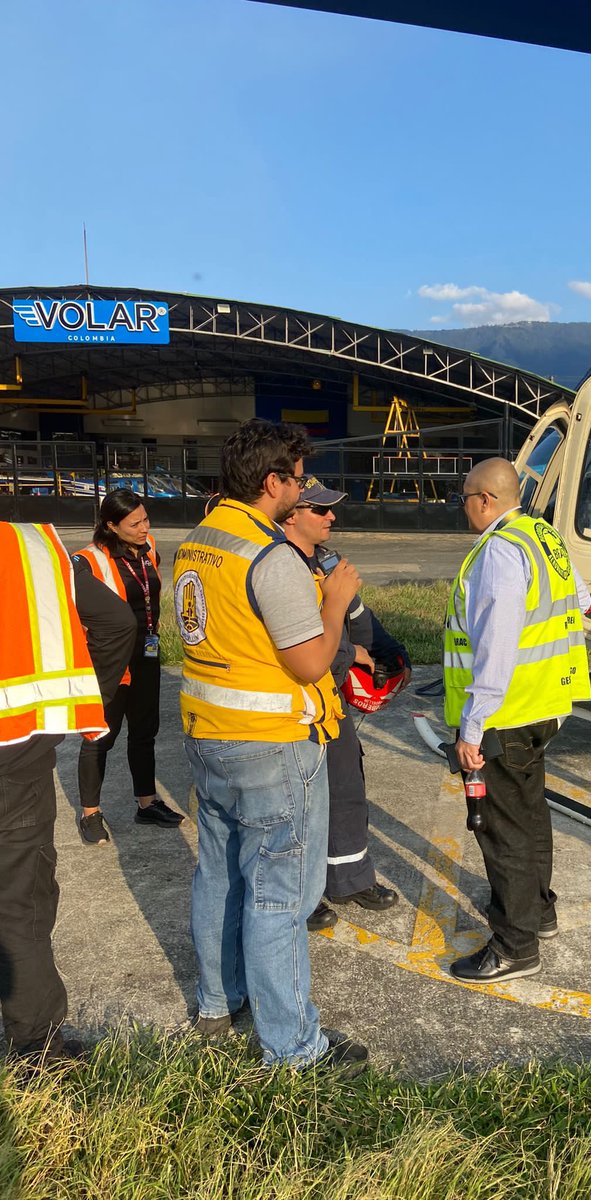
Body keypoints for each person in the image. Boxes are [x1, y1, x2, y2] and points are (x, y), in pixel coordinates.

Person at [173, 418, 368, 1072]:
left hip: (208, 738)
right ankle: (293, 1049)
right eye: (296, 478)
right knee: (280, 898)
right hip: (270, 746)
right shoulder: (270, 556)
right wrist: (337, 600)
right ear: (270, 484)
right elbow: (312, 662)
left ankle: (217, 1003)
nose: (303, 488)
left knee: (219, 876)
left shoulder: (200, 542)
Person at [444, 458, 591, 983]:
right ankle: (539, 911)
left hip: (504, 714)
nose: (462, 507)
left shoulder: (500, 553)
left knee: (502, 829)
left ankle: (514, 945)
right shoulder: (542, 537)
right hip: (544, 705)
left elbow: (496, 645)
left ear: (485, 498)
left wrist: (472, 727)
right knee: (530, 813)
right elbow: (583, 600)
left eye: (463, 497)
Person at [0, 522, 135, 1061]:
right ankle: (35, 1044)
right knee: (19, 898)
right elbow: (118, 623)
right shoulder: (32, 546)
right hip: (15, 753)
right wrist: (87, 695)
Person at [281, 477, 410, 930]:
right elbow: (290, 643)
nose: (331, 516)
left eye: (331, 508)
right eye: (319, 510)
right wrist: (350, 654)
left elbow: (360, 619)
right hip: (290, 705)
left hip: (330, 704)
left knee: (346, 789)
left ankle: (350, 878)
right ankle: (304, 891)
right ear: (290, 513)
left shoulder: (328, 564)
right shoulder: (280, 567)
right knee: (297, 802)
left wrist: (392, 653)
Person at [74, 488, 183, 844]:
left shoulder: (149, 547)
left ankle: (146, 802)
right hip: (110, 661)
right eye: (133, 523)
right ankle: (90, 814)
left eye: (145, 519)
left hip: (147, 654)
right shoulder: (86, 562)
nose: (143, 527)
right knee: (100, 736)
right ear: (111, 525)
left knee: (144, 731)